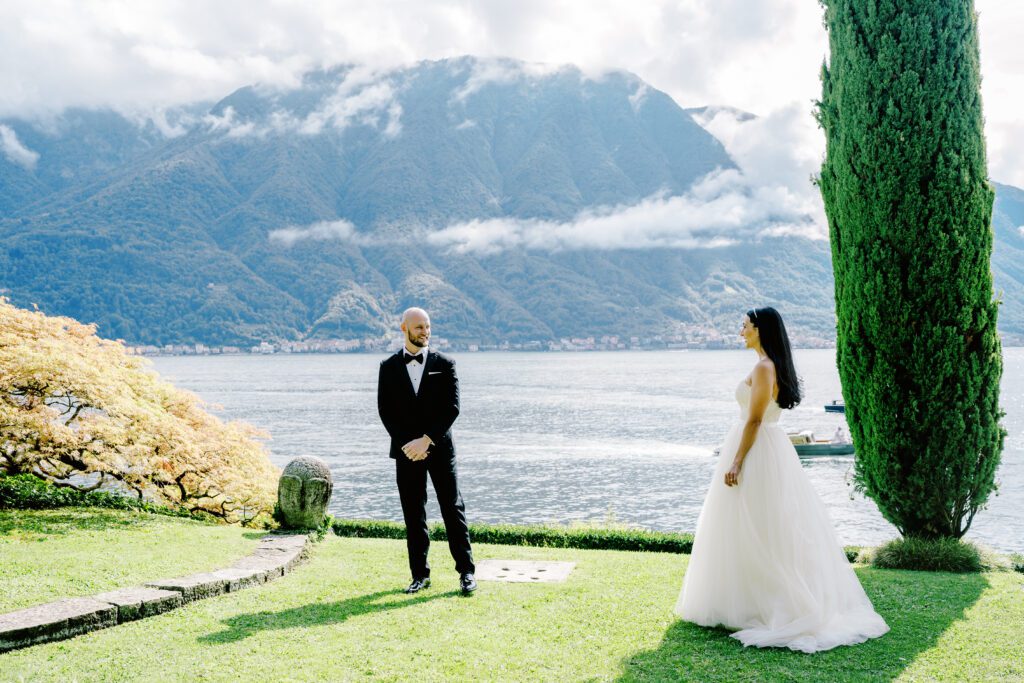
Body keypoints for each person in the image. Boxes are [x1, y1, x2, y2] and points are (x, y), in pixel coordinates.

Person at [675, 307, 888, 652]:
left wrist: (737, 462)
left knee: (760, 526)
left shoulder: (763, 368)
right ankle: (750, 600)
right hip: (767, 449)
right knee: (754, 526)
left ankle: (775, 604)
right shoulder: (766, 365)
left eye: (744, 326)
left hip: (757, 451)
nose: (740, 331)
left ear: (760, 329)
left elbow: (755, 421)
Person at [377, 307, 476, 595]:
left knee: (452, 509)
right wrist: (410, 445)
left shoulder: (445, 363)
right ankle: (420, 575)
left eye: (428, 326)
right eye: (419, 327)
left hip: (440, 450)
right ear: (404, 328)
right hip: (406, 452)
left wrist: (427, 440)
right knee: (413, 514)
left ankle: (466, 573)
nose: (425, 331)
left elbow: (452, 408)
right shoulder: (388, 366)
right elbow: (386, 411)